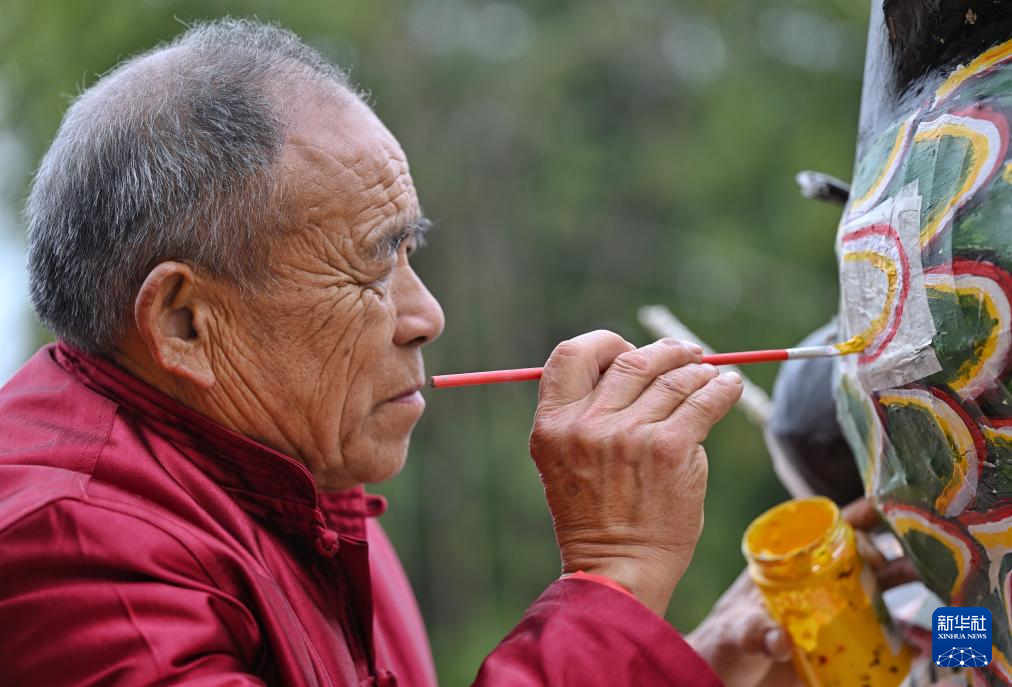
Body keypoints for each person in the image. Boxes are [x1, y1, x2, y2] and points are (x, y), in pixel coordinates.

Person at [0, 18, 900, 686]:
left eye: (410, 248)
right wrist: (614, 573)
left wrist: (689, 659)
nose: (425, 315)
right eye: (369, 263)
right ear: (186, 323)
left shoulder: (301, 487)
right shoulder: (67, 551)